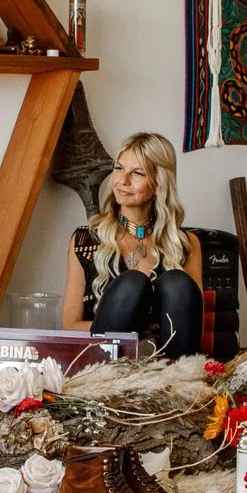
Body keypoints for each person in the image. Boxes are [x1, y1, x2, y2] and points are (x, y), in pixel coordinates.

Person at [59, 133, 205, 358]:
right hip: (103, 364)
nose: (122, 180)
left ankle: (178, 379)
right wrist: (132, 328)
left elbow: (193, 326)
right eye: (119, 168)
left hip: (169, 366)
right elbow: (70, 325)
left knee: (177, 283)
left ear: (159, 184)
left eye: (137, 173)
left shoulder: (185, 244)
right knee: (132, 283)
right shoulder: (86, 240)